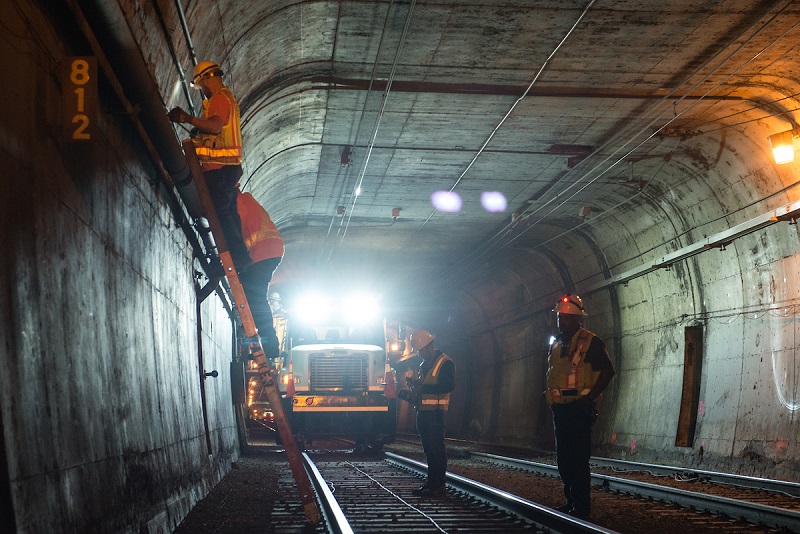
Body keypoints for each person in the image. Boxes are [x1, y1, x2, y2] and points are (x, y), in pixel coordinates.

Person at [168, 61, 252, 272]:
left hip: (220, 170)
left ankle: (236, 259)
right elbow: (212, 137)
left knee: (220, 214)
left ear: (205, 79)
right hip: (228, 169)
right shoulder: (226, 99)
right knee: (229, 213)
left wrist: (187, 119)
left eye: (200, 85)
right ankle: (240, 256)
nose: (201, 91)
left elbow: (215, 127)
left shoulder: (219, 99)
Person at [543, 294, 615, 520]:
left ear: (576, 319)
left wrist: (590, 398)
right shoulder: (556, 343)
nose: (561, 321)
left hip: (580, 409)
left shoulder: (591, 342)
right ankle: (571, 501)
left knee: (578, 459)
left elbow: (607, 371)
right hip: (561, 410)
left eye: (565, 318)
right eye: (559, 317)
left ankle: (581, 507)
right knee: (564, 459)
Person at [398, 329, 455, 497]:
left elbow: (448, 386)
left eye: (421, 350)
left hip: (436, 414)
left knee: (436, 449)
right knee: (429, 450)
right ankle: (431, 484)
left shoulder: (445, 363)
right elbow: (424, 390)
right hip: (423, 413)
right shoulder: (424, 365)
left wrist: (422, 387)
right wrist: (415, 387)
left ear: (429, 347)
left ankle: (439, 486)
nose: (420, 354)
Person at [236, 189, 284, 360]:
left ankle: (269, 346)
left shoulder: (234, 205)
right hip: (269, 249)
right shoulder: (244, 199)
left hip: (262, 251)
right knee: (254, 296)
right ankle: (266, 345)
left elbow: (233, 237)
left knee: (254, 297)